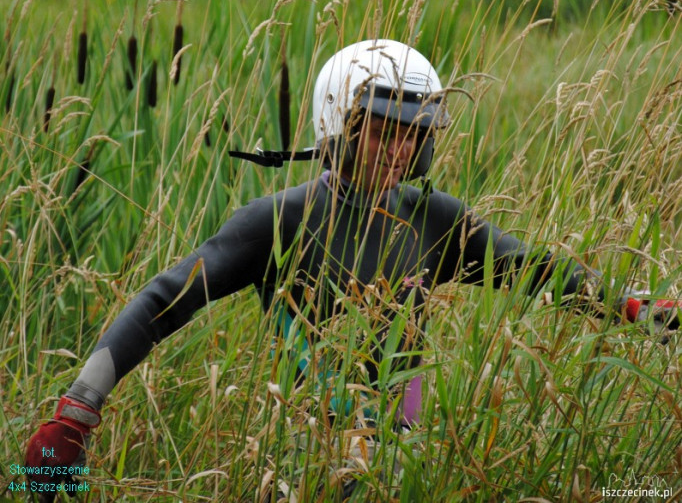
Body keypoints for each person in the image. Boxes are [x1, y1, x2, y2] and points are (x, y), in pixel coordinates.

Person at [24, 38, 679, 501]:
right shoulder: (280, 218)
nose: (400, 148)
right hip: (300, 447)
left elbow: (536, 270)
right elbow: (166, 300)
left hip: (410, 445)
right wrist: (77, 410)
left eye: (415, 133)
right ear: (339, 125)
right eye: (382, 129)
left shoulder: (434, 217)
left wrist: (634, 309)